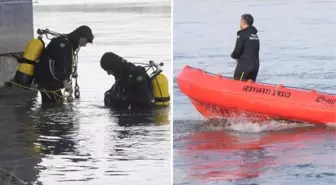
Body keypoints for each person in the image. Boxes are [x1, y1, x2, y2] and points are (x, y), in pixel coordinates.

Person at [34, 25, 94, 103]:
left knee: (54, 107)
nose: (85, 45)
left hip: (50, 82)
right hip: (46, 81)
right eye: (86, 41)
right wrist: (65, 82)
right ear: (81, 36)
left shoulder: (68, 43)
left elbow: (65, 65)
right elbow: (60, 63)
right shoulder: (63, 44)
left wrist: (67, 82)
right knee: (54, 106)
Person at [231, 14, 260, 81]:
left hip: (244, 66)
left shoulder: (242, 34)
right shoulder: (255, 35)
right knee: (248, 88)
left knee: (237, 85)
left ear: (243, 22)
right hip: (255, 66)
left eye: (240, 21)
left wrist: (233, 56)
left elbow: (237, 50)